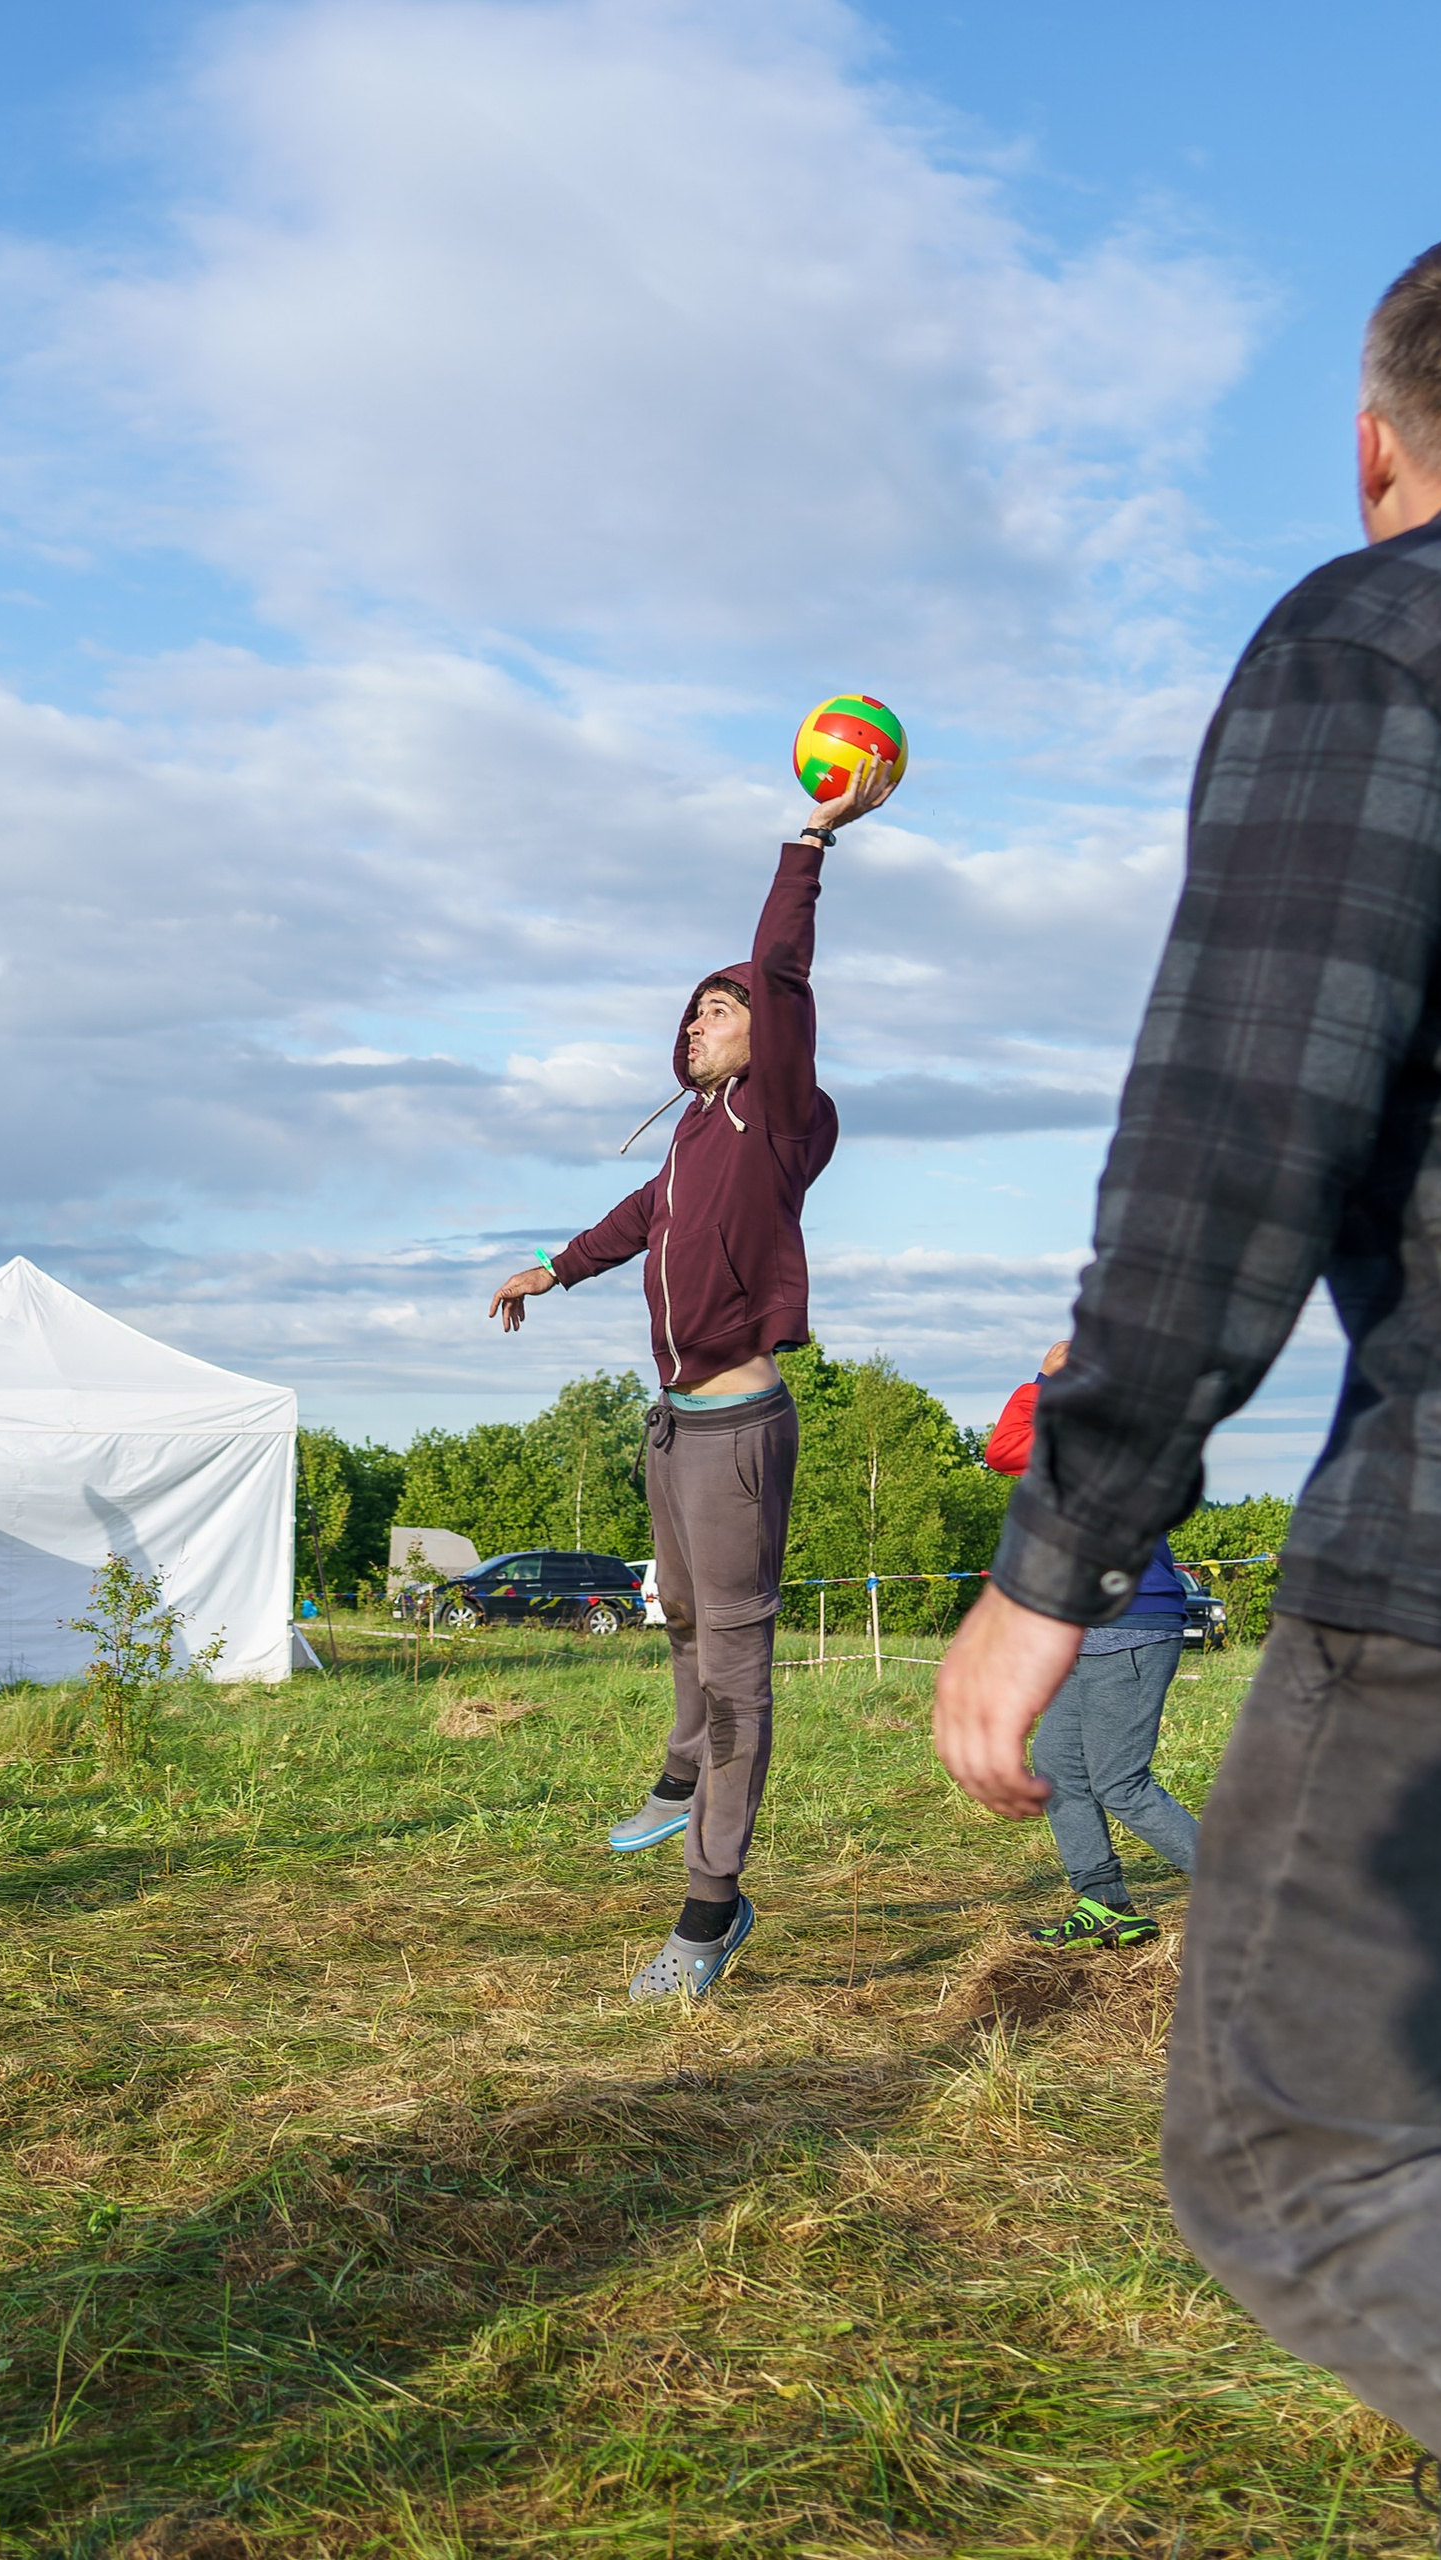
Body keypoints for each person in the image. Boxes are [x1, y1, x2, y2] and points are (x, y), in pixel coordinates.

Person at [931, 220, 1441, 2560]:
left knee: (1305, 2152)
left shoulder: (1394, 628)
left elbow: (1243, 1106)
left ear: (1374, 447)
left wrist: (1062, 1541)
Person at [491, 751, 898, 2001]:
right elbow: (637, 1219)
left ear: (763, 1035)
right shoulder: (688, 1139)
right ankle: (678, 1777)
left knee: (733, 1672)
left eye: (716, 1010)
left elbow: (780, 970)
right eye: (690, 1013)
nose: (696, 1022)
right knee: (675, 1612)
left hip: (735, 1430)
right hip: (671, 1426)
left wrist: (810, 842)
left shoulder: (775, 1116)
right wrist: (551, 1269)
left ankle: (710, 1911)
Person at [980, 1338, 1195, 1947]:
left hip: (1130, 1628)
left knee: (1121, 1783)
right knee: (1057, 1767)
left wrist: (1044, 1380)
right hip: (1090, 1631)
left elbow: (1004, 1448)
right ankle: (1106, 1903)